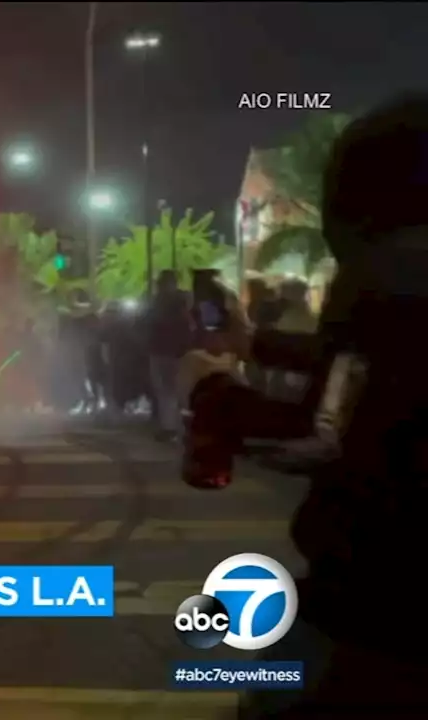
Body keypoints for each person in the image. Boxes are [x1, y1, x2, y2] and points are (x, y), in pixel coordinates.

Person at [207, 94, 428, 718]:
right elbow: (361, 365)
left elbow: (320, 433)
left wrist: (210, 394)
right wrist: (261, 345)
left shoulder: (390, 278)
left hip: (376, 621)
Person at [143, 270, 193, 441]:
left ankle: (170, 426)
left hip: (161, 350)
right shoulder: (184, 299)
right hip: (177, 350)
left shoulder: (156, 301)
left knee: (166, 390)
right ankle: (179, 426)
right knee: (177, 390)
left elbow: (145, 323)